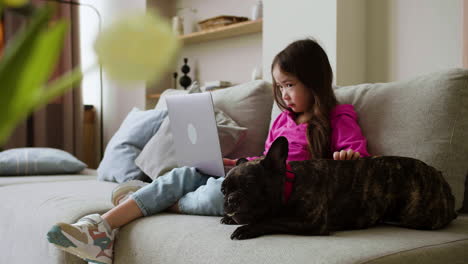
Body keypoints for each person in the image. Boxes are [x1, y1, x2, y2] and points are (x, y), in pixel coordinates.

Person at [46, 38, 369, 264]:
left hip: (285, 194)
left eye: (290, 84)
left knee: (217, 194)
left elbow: (359, 163)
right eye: (280, 86)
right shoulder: (282, 121)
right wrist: (240, 163)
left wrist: (348, 156)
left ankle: (152, 202)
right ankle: (100, 228)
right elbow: (266, 159)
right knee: (190, 172)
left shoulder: (339, 117)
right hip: (258, 181)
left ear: (315, 81)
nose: (284, 94)